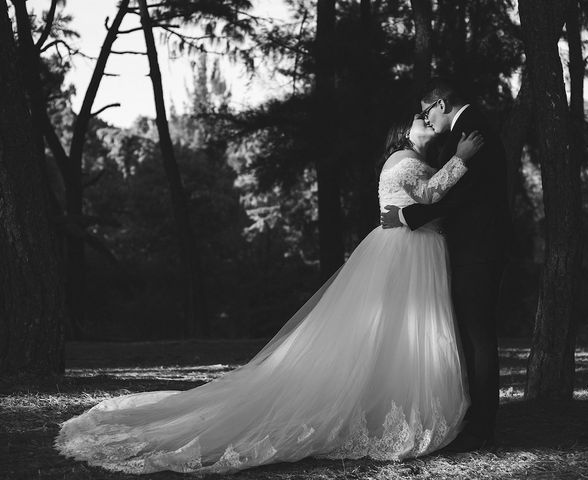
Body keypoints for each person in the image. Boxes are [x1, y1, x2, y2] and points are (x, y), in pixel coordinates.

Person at [54, 114, 485, 475]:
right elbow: (429, 195)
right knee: (394, 331)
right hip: (405, 250)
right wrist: (461, 160)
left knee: (394, 335)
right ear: (404, 130)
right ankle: (392, 406)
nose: (428, 121)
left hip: (407, 249)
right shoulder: (405, 160)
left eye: (429, 116)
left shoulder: (406, 158)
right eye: (420, 118)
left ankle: (388, 400)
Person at [381, 78, 512, 452]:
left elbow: (458, 198)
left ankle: (481, 427)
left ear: (440, 104)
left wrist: (408, 217)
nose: (426, 120)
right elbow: (452, 193)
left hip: (480, 248)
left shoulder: (472, 132)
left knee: (478, 337)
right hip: (473, 246)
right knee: (471, 336)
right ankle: (476, 419)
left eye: (426, 112)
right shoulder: (466, 134)